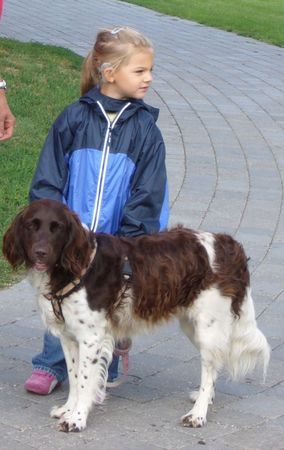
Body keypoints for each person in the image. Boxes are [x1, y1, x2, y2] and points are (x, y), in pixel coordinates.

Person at [24, 25, 169, 395]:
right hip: (69, 240)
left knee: (109, 299)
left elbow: (148, 192)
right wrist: (49, 231)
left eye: (149, 70)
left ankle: (113, 351)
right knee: (60, 295)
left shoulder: (146, 131)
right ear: (109, 72)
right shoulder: (73, 119)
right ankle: (51, 363)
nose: (148, 78)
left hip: (117, 241)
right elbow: (48, 180)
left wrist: (131, 243)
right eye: (140, 71)